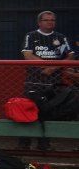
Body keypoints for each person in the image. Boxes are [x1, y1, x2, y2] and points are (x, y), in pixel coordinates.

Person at [20, 11, 75, 151]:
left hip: (53, 83)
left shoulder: (61, 37)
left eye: (53, 20)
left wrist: (53, 67)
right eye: (46, 20)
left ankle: (44, 144)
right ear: (39, 22)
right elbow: (27, 55)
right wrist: (46, 66)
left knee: (48, 114)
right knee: (28, 111)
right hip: (34, 82)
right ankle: (24, 144)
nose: (50, 22)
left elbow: (71, 56)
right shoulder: (31, 36)